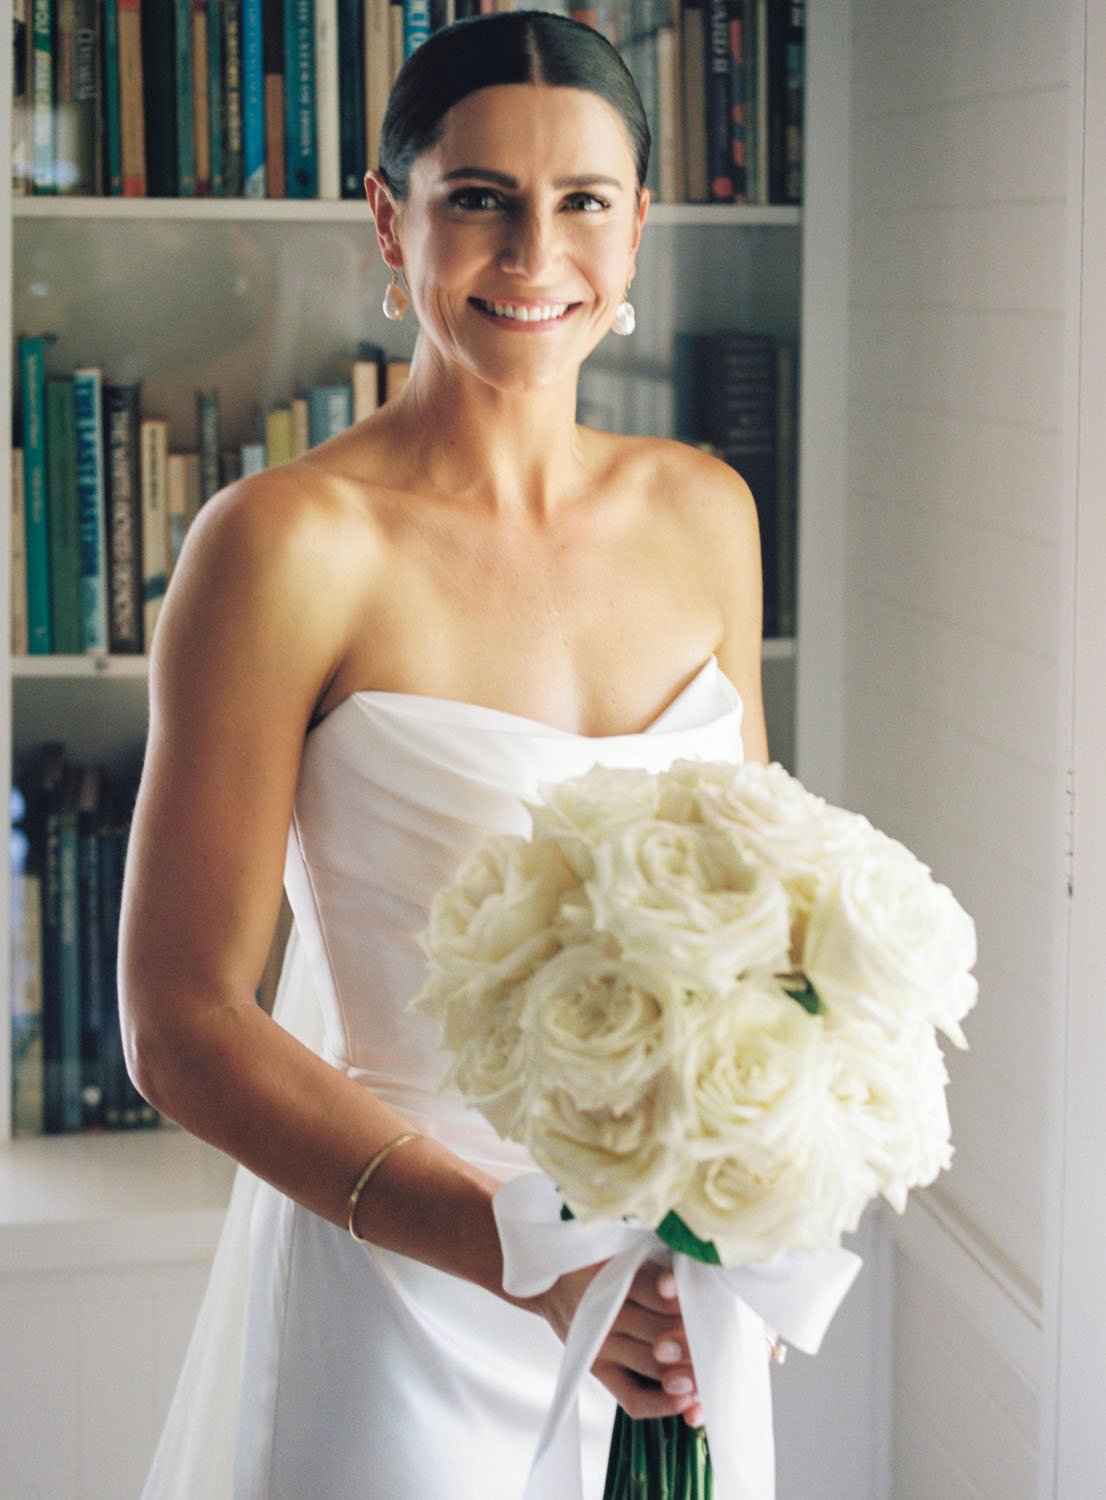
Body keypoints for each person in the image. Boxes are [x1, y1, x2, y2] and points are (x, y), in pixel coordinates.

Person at [120, 11, 769, 1499]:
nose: (533, 253)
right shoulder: (282, 544)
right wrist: (521, 1254)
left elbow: (753, 920)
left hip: (669, 1291)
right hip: (410, 1290)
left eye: (581, 201)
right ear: (387, 218)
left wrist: (750, 1204)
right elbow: (180, 1019)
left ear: (639, 226)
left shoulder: (706, 511)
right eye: (478, 196)